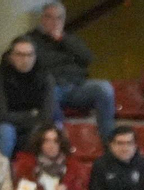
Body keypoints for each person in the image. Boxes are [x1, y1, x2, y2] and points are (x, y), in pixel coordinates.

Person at [30, 0, 116, 141]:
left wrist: (63, 40)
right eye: (49, 17)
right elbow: (43, 63)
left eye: (59, 18)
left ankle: (110, 141)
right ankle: (59, 140)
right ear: (42, 19)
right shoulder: (32, 40)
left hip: (76, 87)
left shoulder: (70, 39)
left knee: (104, 88)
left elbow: (88, 58)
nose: (55, 22)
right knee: (49, 90)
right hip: (51, 88)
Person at [0, 37, 57, 160]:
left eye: (29, 55)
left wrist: (20, 116)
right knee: (5, 131)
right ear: (11, 56)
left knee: (46, 132)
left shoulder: (46, 78)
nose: (25, 59)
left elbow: (47, 114)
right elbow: (0, 115)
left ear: (35, 57)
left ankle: (41, 175)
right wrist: (32, 114)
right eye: (20, 55)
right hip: (7, 126)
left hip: (35, 127)